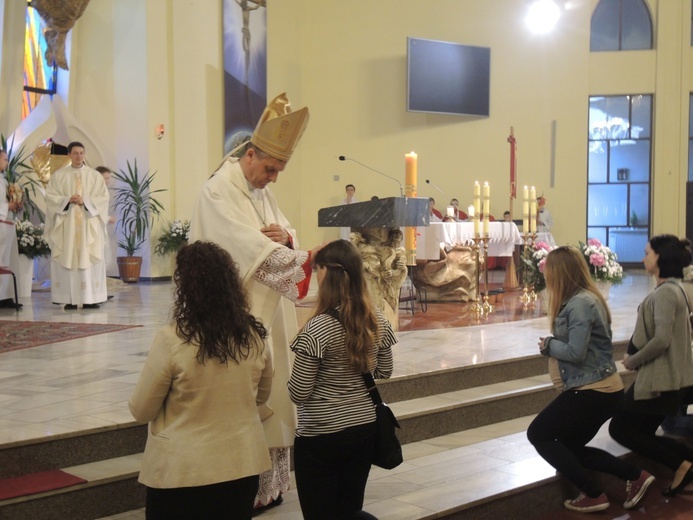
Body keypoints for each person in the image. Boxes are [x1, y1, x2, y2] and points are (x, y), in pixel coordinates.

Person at [190, 92, 315, 512]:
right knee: (246, 399)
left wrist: (289, 239)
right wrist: (298, 259)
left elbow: (278, 231)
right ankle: (242, 488)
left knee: (276, 389)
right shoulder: (217, 192)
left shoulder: (260, 190)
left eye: (279, 170)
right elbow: (237, 247)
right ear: (251, 155)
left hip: (270, 312)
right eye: (271, 168)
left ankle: (271, 485)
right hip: (237, 313)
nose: (274, 177)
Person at [129, 241, 273, 520]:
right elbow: (262, 395)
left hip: (183, 471)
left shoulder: (172, 339)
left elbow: (141, 410)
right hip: (241, 466)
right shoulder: (254, 336)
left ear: (185, 288)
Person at [527, 246, 654, 513]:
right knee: (570, 446)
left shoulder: (580, 303)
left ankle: (595, 493)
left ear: (560, 273)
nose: (546, 277)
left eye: (548, 271)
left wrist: (548, 345)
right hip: (598, 389)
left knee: (538, 434)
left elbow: (575, 351)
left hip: (593, 391)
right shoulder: (579, 299)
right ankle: (634, 475)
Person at [288, 239, 397, 520]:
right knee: (350, 511)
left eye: (317, 268)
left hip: (321, 435)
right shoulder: (378, 320)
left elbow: (299, 393)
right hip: (363, 428)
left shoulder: (317, 328)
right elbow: (384, 371)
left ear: (326, 273)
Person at [609, 235, 693, 498]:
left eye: (648, 253)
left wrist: (632, 360)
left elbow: (661, 340)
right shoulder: (672, 287)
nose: (644, 257)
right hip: (665, 378)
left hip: (661, 380)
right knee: (642, 431)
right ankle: (686, 462)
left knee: (619, 428)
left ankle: (681, 465)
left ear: (660, 258)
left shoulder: (668, 291)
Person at [45, 142, 109, 310]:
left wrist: (85, 201)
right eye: (75, 153)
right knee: (69, 257)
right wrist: (67, 199)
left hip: (88, 224)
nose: (79, 156)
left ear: (84, 154)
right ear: (69, 155)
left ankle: (91, 298)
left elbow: (103, 197)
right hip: (68, 225)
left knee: (89, 257)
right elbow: (50, 197)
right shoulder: (59, 176)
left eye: (81, 153)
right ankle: (70, 299)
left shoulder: (94, 176)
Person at [0, 149, 23, 309]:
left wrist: (16, 205)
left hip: (6, 223)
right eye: (5, 159)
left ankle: (4, 296)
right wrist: (8, 206)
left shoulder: (4, 180)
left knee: (5, 261)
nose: (7, 163)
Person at [96, 166, 118, 278]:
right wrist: (108, 218)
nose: (108, 181)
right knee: (100, 257)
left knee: (106, 258)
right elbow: (92, 212)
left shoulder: (103, 191)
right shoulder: (94, 192)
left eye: (108, 178)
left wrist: (107, 218)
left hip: (101, 229)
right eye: (105, 178)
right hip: (94, 230)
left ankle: (100, 289)